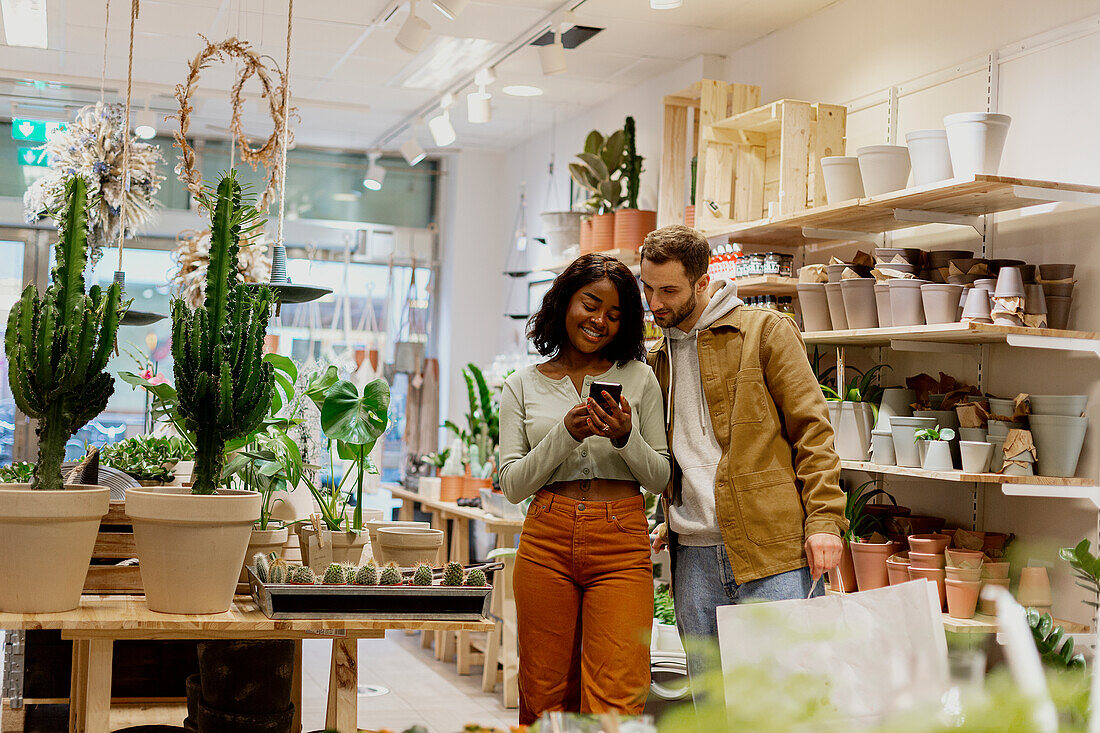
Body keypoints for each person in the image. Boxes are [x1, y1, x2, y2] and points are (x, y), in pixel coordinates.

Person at [638, 225, 848, 689]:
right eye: (648, 288)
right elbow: (683, 450)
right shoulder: (659, 360)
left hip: (771, 550)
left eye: (669, 290)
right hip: (691, 556)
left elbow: (813, 432)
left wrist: (825, 522)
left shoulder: (765, 332)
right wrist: (666, 510)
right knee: (711, 709)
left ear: (701, 281)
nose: (656, 303)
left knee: (779, 707)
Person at [498, 252, 672, 724]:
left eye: (615, 315)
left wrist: (624, 437)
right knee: (543, 688)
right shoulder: (520, 386)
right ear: (564, 302)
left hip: (620, 541)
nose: (600, 321)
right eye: (590, 305)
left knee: (617, 690)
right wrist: (565, 434)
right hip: (545, 540)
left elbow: (660, 477)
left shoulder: (638, 379)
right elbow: (512, 485)